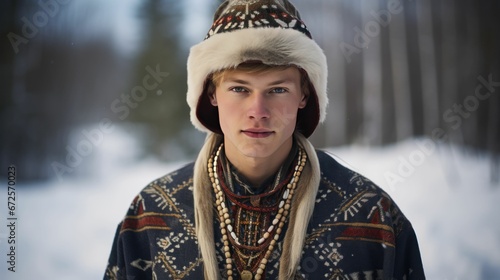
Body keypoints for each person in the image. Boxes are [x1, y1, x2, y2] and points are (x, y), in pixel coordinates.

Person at [104, 1, 425, 279]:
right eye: (239, 89)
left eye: (277, 90)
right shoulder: (150, 216)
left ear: (304, 96)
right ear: (211, 94)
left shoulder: (372, 215)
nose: (258, 111)